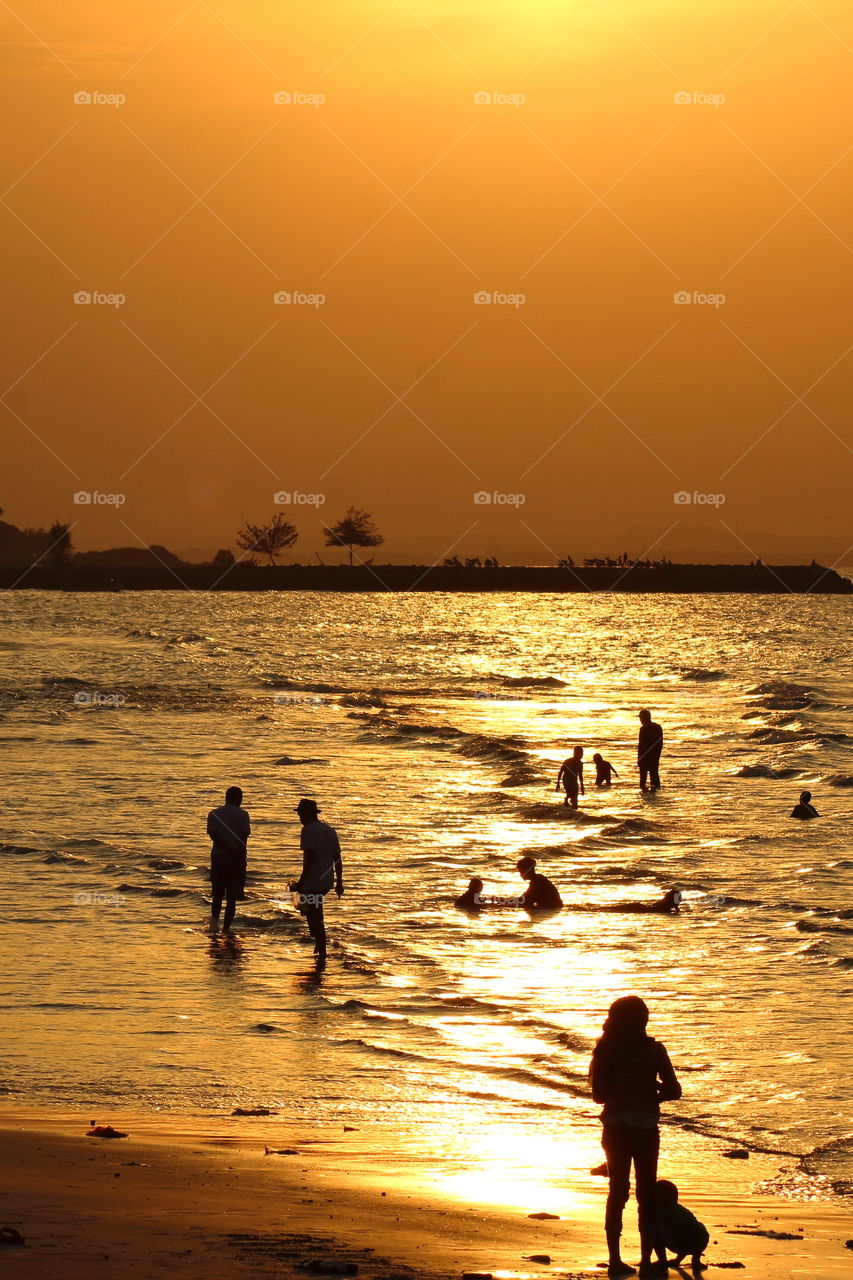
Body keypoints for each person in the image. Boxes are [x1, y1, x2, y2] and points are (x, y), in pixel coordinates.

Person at [589, 995, 682, 1278]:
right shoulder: (655, 1050)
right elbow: (674, 1091)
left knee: (617, 1192)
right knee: (646, 1194)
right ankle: (644, 1260)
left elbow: (598, 1096)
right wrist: (651, 1090)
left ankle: (615, 1260)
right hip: (646, 1129)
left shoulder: (604, 1050)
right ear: (643, 1020)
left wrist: (626, 1090)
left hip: (615, 1128)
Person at [291, 797, 343, 961]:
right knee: (313, 912)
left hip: (312, 881)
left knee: (313, 915)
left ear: (307, 814)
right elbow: (337, 858)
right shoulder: (329, 830)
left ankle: (322, 949)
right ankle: (319, 945)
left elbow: (309, 859)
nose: (300, 818)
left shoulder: (308, 830)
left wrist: (301, 882)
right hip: (327, 881)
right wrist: (339, 882)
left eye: (300, 814)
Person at [207, 785, 250, 933]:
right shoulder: (243, 815)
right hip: (236, 857)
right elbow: (243, 837)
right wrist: (238, 852)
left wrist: (225, 847)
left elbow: (213, 835)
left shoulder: (214, 813)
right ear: (238, 799)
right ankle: (226, 929)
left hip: (219, 856)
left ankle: (214, 926)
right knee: (232, 897)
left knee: (217, 894)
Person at [654, 1179, 709, 1271]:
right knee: (694, 1228)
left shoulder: (662, 1211)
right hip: (700, 1243)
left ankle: (662, 1261)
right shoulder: (680, 1209)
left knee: (654, 1230)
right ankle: (695, 1260)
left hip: (680, 1244)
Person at [638, 710, 663, 791]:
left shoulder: (644, 729)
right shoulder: (657, 727)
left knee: (644, 781)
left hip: (647, 757)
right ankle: (654, 796)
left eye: (641, 718)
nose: (640, 720)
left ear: (645, 718)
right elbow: (660, 744)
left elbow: (641, 745)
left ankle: (649, 796)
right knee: (654, 779)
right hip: (653, 757)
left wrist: (639, 758)